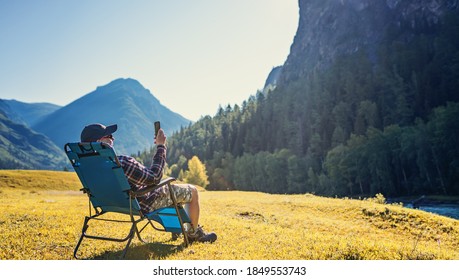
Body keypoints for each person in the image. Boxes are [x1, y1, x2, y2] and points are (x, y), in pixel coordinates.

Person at [80, 123, 217, 243]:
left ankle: (178, 228)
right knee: (191, 191)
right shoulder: (121, 163)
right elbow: (154, 177)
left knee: (172, 191)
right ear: (99, 141)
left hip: (112, 203)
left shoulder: (85, 166)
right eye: (109, 135)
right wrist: (161, 146)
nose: (113, 138)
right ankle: (193, 234)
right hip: (144, 203)